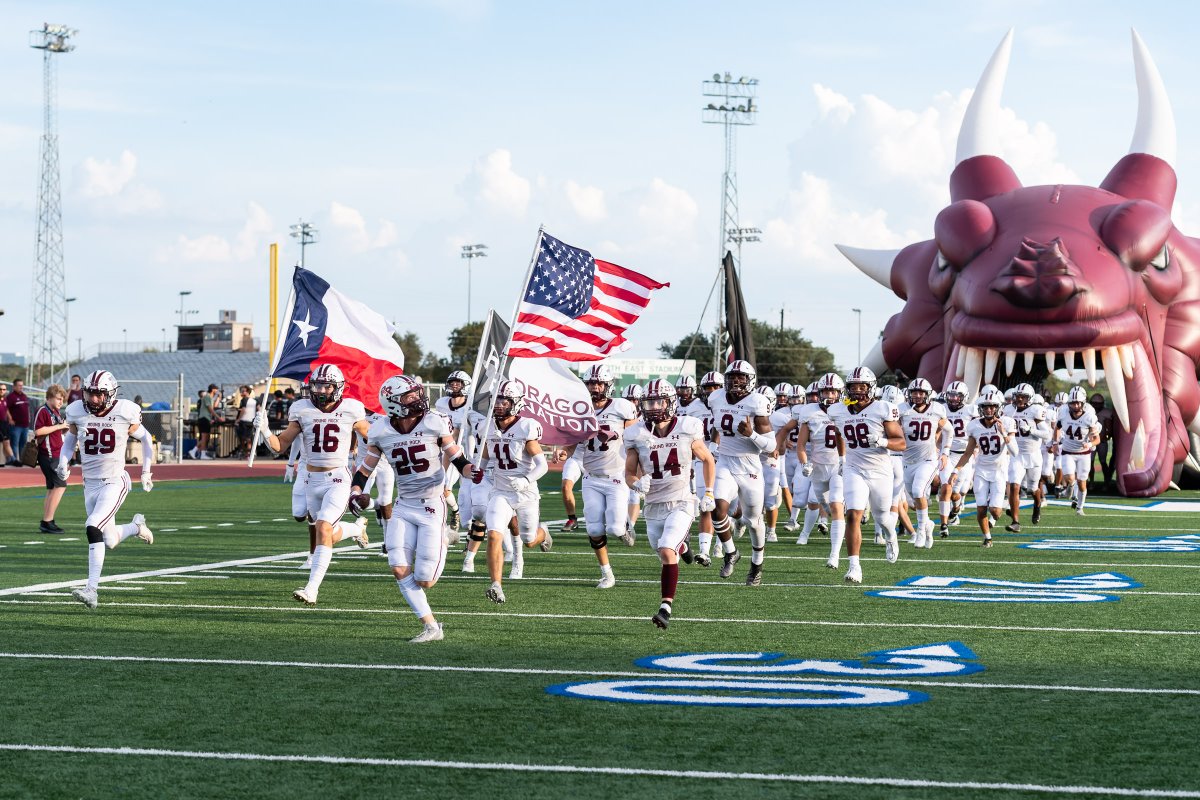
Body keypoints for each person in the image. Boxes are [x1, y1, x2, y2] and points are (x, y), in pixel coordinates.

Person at [351, 375, 467, 643]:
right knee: (398, 566)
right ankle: (431, 626)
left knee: (426, 580)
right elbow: (366, 467)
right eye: (410, 396)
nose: (418, 399)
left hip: (432, 505)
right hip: (403, 505)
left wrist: (470, 470)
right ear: (393, 404)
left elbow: (456, 456)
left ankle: (444, 537)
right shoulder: (380, 430)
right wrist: (356, 490)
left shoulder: (433, 421)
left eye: (416, 394)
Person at [255, 364, 371, 605]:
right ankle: (357, 529)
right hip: (311, 479)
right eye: (317, 385)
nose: (320, 390)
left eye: (326, 385)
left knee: (323, 527)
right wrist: (265, 431)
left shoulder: (351, 409)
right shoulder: (302, 409)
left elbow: (374, 436)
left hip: (338, 479)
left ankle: (312, 588)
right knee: (327, 532)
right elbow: (280, 445)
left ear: (337, 388)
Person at [59, 370, 156, 609]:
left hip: (114, 480)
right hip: (89, 483)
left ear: (110, 394)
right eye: (90, 393)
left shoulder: (124, 411)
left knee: (93, 525)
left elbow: (146, 439)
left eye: (98, 394)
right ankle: (136, 527)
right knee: (109, 539)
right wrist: (64, 461)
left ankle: (91, 590)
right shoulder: (77, 411)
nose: (93, 399)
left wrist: (146, 471)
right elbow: (71, 439)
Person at [624, 379, 715, 629]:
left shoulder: (687, 427)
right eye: (648, 402)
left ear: (670, 402)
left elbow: (707, 459)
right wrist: (635, 483)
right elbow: (629, 472)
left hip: (681, 501)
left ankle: (665, 608)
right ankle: (684, 549)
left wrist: (708, 491)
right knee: (666, 551)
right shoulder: (637, 433)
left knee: (666, 550)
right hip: (653, 506)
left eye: (657, 401)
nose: (652, 407)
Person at [470, 379, 552, 604]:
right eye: (496, 399)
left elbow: (542, 465)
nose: (499, 404)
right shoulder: (487, 426)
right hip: (500, 491)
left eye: (504, 400)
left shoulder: (525, 427)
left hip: (525, 493)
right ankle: (496, 584)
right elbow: (485, 458)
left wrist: (526, 480)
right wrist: (478, 471)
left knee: (529, 539)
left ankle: (543, 533)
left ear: (515, 403)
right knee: (494, 534)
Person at [557, 365, 638, 589]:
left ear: (608, 385)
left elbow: (635, 439)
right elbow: (573, 440)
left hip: (616, 476)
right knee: (594, 528)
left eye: (599, 383)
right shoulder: (580, 410)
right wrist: (565, 449)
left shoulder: (622, 407)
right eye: (591, 383)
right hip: (591, 477)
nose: (595, 387)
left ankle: (625, 525)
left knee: (615, 529)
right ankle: (607, 573)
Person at [825, 366, 905, 583]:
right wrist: (843, 458)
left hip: (880, 471)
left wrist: (882, 441)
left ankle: (891, 535)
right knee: (853, 514)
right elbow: (840, 433)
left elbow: (901, 443)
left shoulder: (882, 408)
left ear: (871, 388)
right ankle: (854, 566)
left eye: (862, 386)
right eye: (853, 387)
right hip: (854, 469)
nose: (858, 391)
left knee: (882, 517)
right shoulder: (837, 411)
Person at [706, 360, 774, 585]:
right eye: (732, 377)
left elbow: (772, 447)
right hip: (725, 461)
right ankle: (730, 552)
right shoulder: (715, 398)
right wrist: (715, 444)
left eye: (741, 377)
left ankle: (757, 565)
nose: (736, 381)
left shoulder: (757, 402)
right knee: (717, 508)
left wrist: (752, 434)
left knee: (754, 522)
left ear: (750, 380)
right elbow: (718, 425)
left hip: (750, 466)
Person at [951, 388, 1017, 546]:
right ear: (981, 408)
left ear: (997, 408)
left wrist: (1004, 433)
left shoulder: (1006, 423)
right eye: (986, 407)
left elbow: (1015, 452)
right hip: (981, 470)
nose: (989, 409)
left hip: (999, 471)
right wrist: (956, 470)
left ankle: (994, 518)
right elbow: (967, 453)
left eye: (992, 406)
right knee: (981, 509)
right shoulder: (974, 426)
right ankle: (987, 537)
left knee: (995, 511)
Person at [898, 378, 949, 549]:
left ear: (928, 395)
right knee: (913, 501)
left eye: (921, 393)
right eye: (914, 393)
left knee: (919, 491)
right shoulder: (902, 410)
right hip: (907, 460)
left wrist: (945, 452)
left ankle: (920, 530)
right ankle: (927, 524)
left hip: (928, 460)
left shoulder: (936, 410)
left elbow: (949, 430)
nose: (917, 396)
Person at [1005, 383, 1051, 531]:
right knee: (1014, 486)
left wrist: (1031, 430)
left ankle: (1037, 505)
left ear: (1029, 398)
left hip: (1033, 455)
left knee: (1032, 489)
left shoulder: (1036, 411)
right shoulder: (1008, 410)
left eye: (1023, 397)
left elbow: (1047, 434)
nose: (1019, 399)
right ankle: (1015, 521)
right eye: (1017, 396)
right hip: (1016, 454)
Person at [1053, 386, 1102, 516]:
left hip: (1083, 453)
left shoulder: (1089, 416)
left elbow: (1097, 438)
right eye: (1072, 403)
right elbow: (1057, 428)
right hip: (1068, 451)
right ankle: (1071, 488)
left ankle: (1080, 507)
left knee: (1081, 482)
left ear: (1083, 403)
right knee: (1069, 477)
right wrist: (1055, 442)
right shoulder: (1063, 412)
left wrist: (1090, 443)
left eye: (1077, 403)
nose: (1075, 405)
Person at [34, 384, 71, 533]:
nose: (61, 402)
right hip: (49, 455)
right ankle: (47, 521)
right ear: (49, 397)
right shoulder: (43, 411)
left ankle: (48, 519)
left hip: (55, 453)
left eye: (62, 399)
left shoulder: (54, 411)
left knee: (52, 488)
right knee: (60, 486)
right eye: (58, 398)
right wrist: (58, 427)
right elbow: (38, 431)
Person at [1090, 393, 1115, 491]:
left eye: (1098, 403)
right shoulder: (1087, 411)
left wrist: (1107, 436)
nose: (1096, 405)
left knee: (1103, 462)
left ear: (1102, 404)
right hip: (1091, 441)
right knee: (1090, 462)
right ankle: (1091, 482)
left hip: (1102, 441)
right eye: (1094, 403)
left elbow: (1109, 428)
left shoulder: (1106, 413)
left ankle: (1106, 482)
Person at [5, 378, 33, 465]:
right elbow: (5, 408)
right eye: (19, 385)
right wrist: (10, 418)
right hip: (16, 426)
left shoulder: (24, 396)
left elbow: (27, 408)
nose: (21, 387)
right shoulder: (10, 397)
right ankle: (13, 461)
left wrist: (29, 418)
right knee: (14, 444)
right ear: (14, 387)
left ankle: (21, 461)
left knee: (23, 444)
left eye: (22, 385)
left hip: (25, 425)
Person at [190, 384, 218, 459]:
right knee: (204, 437)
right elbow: (210, 408)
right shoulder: (207, 396)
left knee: (205, 437)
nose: (217, 391)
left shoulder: (209, 397)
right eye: (216, 389)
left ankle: (199, 452)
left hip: (206, 418)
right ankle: (197, 452)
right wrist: (217, 417)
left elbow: (212, 407)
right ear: (213, 389)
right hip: (204, 418)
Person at [235, 385, 257, 457]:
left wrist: (238, 420)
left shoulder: (244, 400)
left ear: (247, 392)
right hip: (251, 421)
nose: (241, 392)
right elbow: (258, 409)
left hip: (244, 421)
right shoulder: (254, 401)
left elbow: (244, 410)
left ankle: (244, 452)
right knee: (249, 437)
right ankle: (250, 453)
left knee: (243, 438)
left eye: (243, 391)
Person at [0, 383, 12, 466]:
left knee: (6, 443)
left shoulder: (5, 399)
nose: (2, 391)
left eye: (4, 389)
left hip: (4, 424)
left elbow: (6, 409)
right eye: (0, 389)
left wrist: (10, 418)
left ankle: (9, 460)